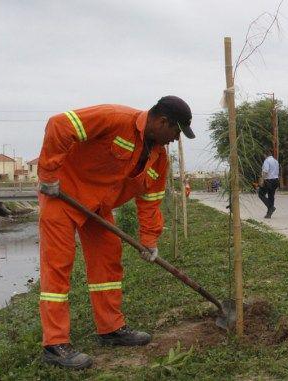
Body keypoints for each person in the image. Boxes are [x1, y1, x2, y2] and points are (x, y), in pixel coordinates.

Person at [36, 96, 195, 369]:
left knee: (108, 261)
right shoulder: (114, 118)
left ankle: (110, 329)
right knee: (58, 267)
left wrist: (149, 240)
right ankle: (54, 344)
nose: (175, 139)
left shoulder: (158, 156)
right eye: (176, 132)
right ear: (162, 122)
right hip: (63, 196)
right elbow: (59, 125)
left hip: (99, 206)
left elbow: (150, 199)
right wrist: (49, 175)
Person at [258, 150, 280, 218]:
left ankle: (271, 207)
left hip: (268, 181)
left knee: (260, 194)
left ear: (265, 154)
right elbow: (278, 171)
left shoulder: (267, 161)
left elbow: (265, 171)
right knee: (271, 196)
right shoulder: (276, 161)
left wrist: (262, 180)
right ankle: (269, 214)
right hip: (276, 180)